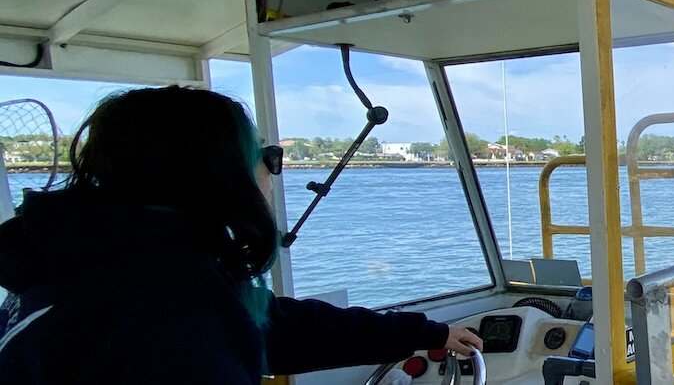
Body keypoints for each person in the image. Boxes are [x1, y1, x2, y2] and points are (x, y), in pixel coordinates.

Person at [0, 86, 482, 383]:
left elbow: (275, 328)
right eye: (266, 156)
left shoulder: (83, 263)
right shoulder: (164, 306)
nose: (273, 172)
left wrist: (427, 331)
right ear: (216, 173)